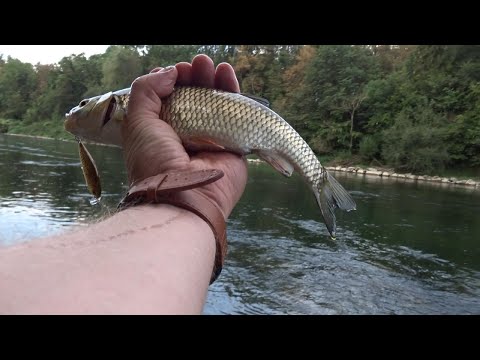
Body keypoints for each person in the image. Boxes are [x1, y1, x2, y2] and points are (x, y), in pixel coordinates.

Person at [0, 54, 248, 314]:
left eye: (84, 104)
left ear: (112, 105)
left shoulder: (126, 103)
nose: (77, 110)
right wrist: (198, 199)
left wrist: (175, 196)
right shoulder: (131, 116)